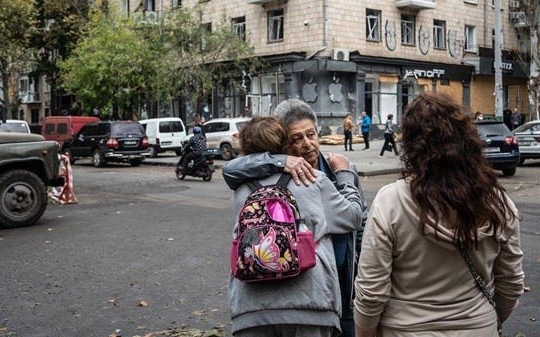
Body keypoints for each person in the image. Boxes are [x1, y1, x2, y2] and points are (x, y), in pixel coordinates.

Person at [354, 92, 524, 337]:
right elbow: (510, 283)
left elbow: (371, 292)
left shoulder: (390, 201)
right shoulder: (497, 203)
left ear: (411, 145)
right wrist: (483, 320)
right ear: (467, 140)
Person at [223, 99, 370, 337]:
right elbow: (353, 216)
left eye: (311, 134)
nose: (307, 144)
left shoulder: (240, 189)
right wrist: (343, 175)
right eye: (296, 138)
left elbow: (362, 226)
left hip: (251, 307)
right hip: (313, 301)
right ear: (283, 143)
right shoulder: (314, 180)